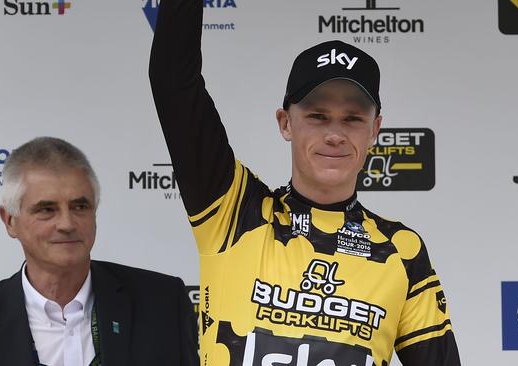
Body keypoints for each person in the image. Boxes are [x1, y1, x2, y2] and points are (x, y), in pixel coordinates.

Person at [149, 0, 461, 365]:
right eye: (317, 116)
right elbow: (173, 81)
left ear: (375, 129)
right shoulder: (234, 211)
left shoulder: (401, 251)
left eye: (353, 119)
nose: (335, 134)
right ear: (285, 122)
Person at [0, 137, 199, 366]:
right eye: (47, 209)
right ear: (10, 221)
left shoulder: (163, 304)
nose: (67, 224)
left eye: (80, 207)